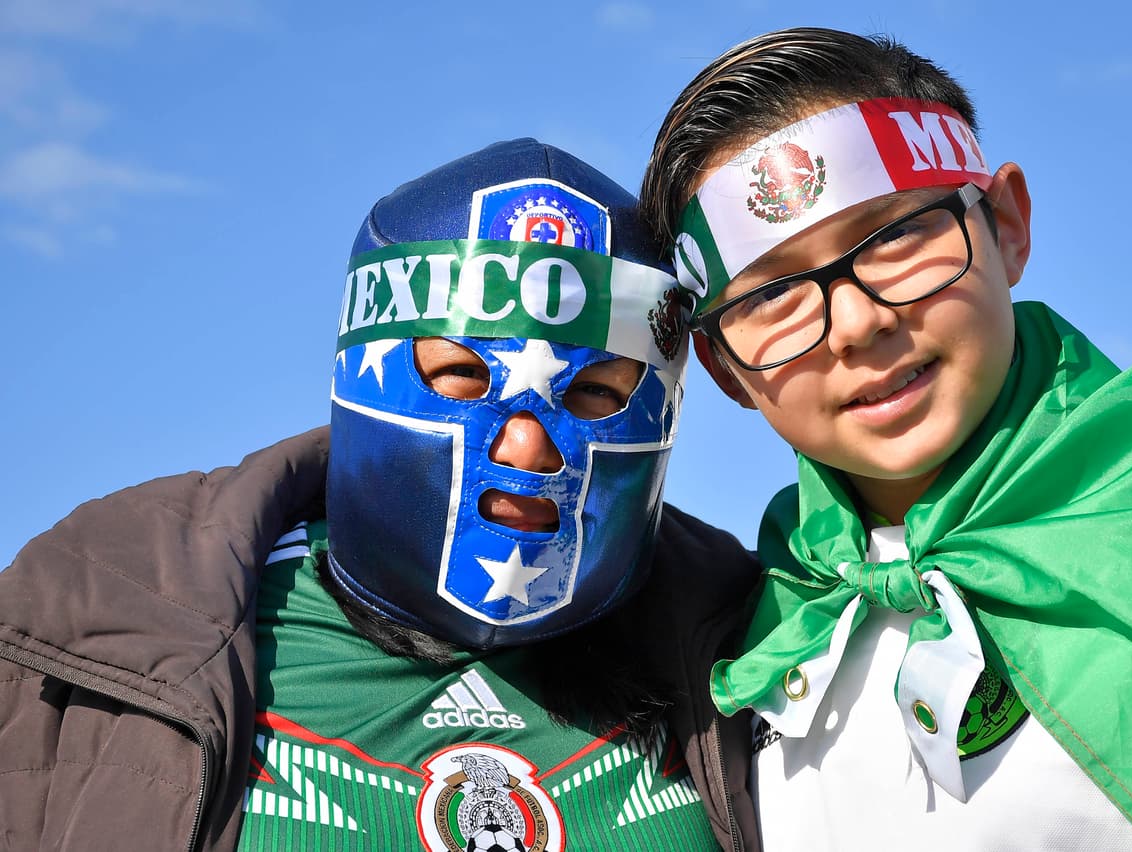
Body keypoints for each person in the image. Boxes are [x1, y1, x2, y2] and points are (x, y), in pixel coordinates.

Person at [0, 139, 762, 851]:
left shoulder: (753, 651)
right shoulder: (91, 642)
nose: (527, 449)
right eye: (464, 376)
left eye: (596, 393)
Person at [639, 27, 1132, 852]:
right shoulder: (746, 625)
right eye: (775, 296)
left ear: (1006, 224)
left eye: (898, 237)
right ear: (725, 368)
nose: (859, 324)